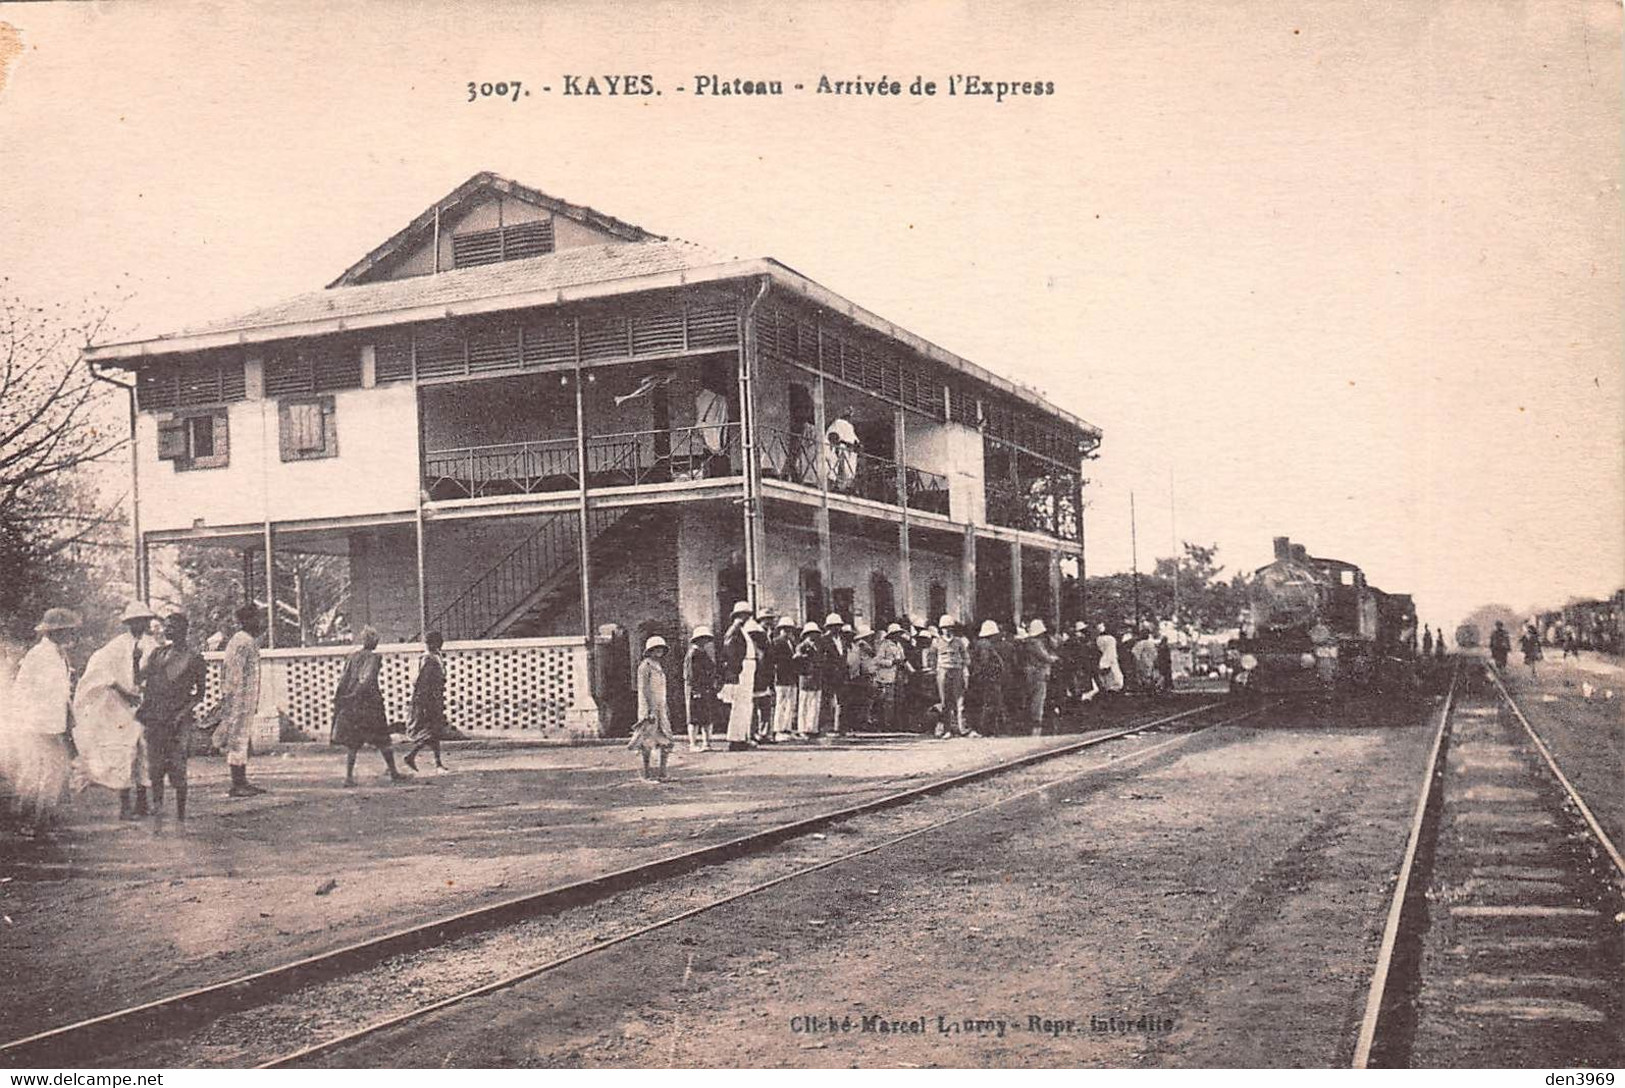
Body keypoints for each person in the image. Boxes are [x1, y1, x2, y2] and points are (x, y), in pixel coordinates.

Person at [73, 600, 159, 819]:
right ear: (129, 623)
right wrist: (122, 690)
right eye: (136, 621)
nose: (140, 625)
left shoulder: (152, 646)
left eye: (144, 621)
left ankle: (142, 802)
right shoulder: (115, 647)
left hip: (145, 704)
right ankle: (125, 805)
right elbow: (98, 671)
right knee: (124, 752)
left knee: (145, 752)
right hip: (121, 708)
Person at [4, 608, 80, 838]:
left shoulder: (58, 655)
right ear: (55, 632)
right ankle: (31, 820)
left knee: (51, 771)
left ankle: (40, 819)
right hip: (37, 723)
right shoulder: (39, 655)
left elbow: (61, 692)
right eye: (66, 630)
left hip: (52, 722)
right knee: (41, 771)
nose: (69, 635)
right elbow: (22, 691)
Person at [137, 612, 205, 820]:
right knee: (155, 766)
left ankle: (181, 815)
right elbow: (140, 677)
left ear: (185, 630)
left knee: (177, 765)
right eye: (166, 626)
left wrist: (182, 714)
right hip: (155, 717)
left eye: (173, 626)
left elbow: (200, 694)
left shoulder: (194, 658)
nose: (168, 630)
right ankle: (158, 808)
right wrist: (134, 660)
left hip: (178, 720)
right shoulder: (157, 654)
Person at [332, 626, 409, 786]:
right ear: (373, 641)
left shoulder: (352, 657)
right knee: (382, 739)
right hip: (370, 703)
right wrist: (355, 694)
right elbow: (366, 679)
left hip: (353, 704)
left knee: (354, 742)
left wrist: (342, 697)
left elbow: (344, 679)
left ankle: (349, 777)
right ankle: (393, 772)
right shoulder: (374, 658)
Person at [212, 603, 267, 797]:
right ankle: (237, 783)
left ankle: (242, 781)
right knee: (236, 740)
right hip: (238, 701)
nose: (260, 622)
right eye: (256, 619)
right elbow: (233, 675)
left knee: (242, 740)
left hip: (245, 700)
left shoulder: (247, 641)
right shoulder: (241, 641)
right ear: (246, 621)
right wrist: (232, 701)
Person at [404, 631, 451, 774]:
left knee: (434, 732)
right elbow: (422, 683)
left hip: (434, 698)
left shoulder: (435, 657)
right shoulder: (428, 659)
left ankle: (434, 762)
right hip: (428, 700)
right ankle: (414, 756)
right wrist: (424, 703)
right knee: (431, 732)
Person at [628, 636, 674, 781]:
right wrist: (650, 710)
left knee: (666, 739)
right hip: (649, 708)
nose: (659, 651)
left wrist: (663, 707)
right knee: (647, 740)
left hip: (660, 706)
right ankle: (647, 774)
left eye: (661, 648)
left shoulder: (658, 666)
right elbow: (644, 689)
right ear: (650, 650)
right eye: (656, 648)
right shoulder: (645, 667)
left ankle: (663, 772)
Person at [719, 602, 759, 751]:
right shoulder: (734, 630)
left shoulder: (742, 631)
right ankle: (736, 739)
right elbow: (730, 652)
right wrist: (736, 670)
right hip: (742, 669)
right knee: (740, 705)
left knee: (746, 705)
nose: (746, 617)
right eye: (744, 615)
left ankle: (743, 737)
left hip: (747, 667)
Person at [933, 615, 974, 737]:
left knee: (959, 701)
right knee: (945, 702)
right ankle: (947, 730)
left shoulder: (958, 641)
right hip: (943, 671)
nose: (948, 630)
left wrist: (964, 666)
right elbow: (931, 657)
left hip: (957, 670)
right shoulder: (936, 642)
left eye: (950, 628)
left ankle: (962, 729)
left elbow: (965, 656)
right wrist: (936, 669)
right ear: (941, 629)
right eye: (945, 628)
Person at [683, 626, 719, 752]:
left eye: (706, 639)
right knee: (694, 718)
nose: (704, 641)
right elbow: (690, 675)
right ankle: (693, 744)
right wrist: (695, 690)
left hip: (706, 689)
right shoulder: (692, 654)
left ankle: (706, 743)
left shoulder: (703, 653)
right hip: (696, 690)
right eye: (702, 639)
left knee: (706, 717)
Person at [970, 619, 1007, 736]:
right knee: (991, 704)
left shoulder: (982, 644)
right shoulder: (985, 645)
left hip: (987, 678)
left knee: (990, 704)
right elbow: (984, 662)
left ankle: (988, 729)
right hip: (989, 679)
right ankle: (986, 730)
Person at [1022, 619, 1059, 734]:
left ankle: (1034, 718)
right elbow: (1045, 657)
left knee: (1032, 696)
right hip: (1038, 672)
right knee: (1038, 697)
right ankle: (1037, 719)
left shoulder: (1027, 642)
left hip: (1030, 671)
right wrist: (1054, 658)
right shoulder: (1036, 643)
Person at [872, 624, 910, 731]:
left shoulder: (899, 645)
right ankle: (886, 724)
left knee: (899, 699)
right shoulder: (885, 645)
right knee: (888, 701)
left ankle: (897, 724)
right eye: (896, 634)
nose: (898, 636)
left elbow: (904, 659)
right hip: (888, 675)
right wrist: (891, 662)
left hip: (899, 675)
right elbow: (877, 660)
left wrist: (908, 669)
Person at [767, 618, 799, 741]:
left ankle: (788, 728)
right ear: (781, 630)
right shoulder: (777, 642)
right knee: (781, 704)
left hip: (791, 677)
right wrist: (792, 659)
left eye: (790, 629)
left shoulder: (792, 643)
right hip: (781, 676)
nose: (788, 631)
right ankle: (779, 730)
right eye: (785, 629)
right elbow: (775, 660)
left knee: (791, 704)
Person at [793, 621, 825, 739]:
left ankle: (812, 728)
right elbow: (797, 661)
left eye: (815, 633)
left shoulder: (819, 647)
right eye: (811, 633)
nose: (813, 636)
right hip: (806, 677)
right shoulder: (801, 647)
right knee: (804, 704)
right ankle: (803, 728)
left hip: (816, 678)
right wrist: (803, 658)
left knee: (814, 703)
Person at [1096, 624, 1124, 695]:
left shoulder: (1098, 639)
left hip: (1102, 660)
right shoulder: (1111, 639)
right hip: (1111, 660)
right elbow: (1111, 652)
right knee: (1116, 679)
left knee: (1106, 680)